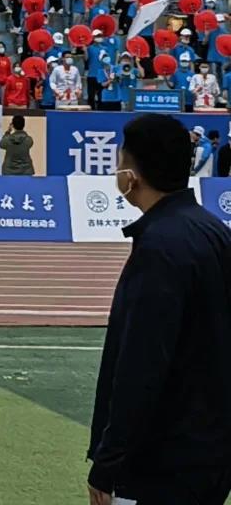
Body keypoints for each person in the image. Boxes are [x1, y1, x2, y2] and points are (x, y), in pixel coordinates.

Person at [87, 113, 231, 505]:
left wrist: (109, 461)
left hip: (161, 462)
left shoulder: (159, 247)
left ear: (132, 175)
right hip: (211, 452)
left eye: (121, 160)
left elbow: (142, 363)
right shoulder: (213, 231)